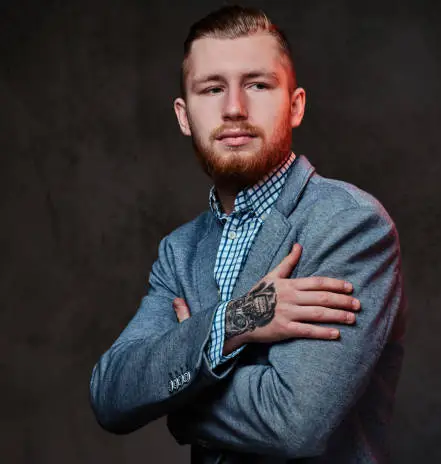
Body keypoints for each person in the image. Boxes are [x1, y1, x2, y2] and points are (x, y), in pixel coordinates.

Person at [89, 5, 407, 463]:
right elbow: (112, 392)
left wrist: (178, 401)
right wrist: (237, 320)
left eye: (257, 85)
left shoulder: (350, 224)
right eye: (212, 88)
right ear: (184, 115)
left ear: (295, 105)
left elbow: (293, 425)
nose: (234, 108)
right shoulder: (180, 251)